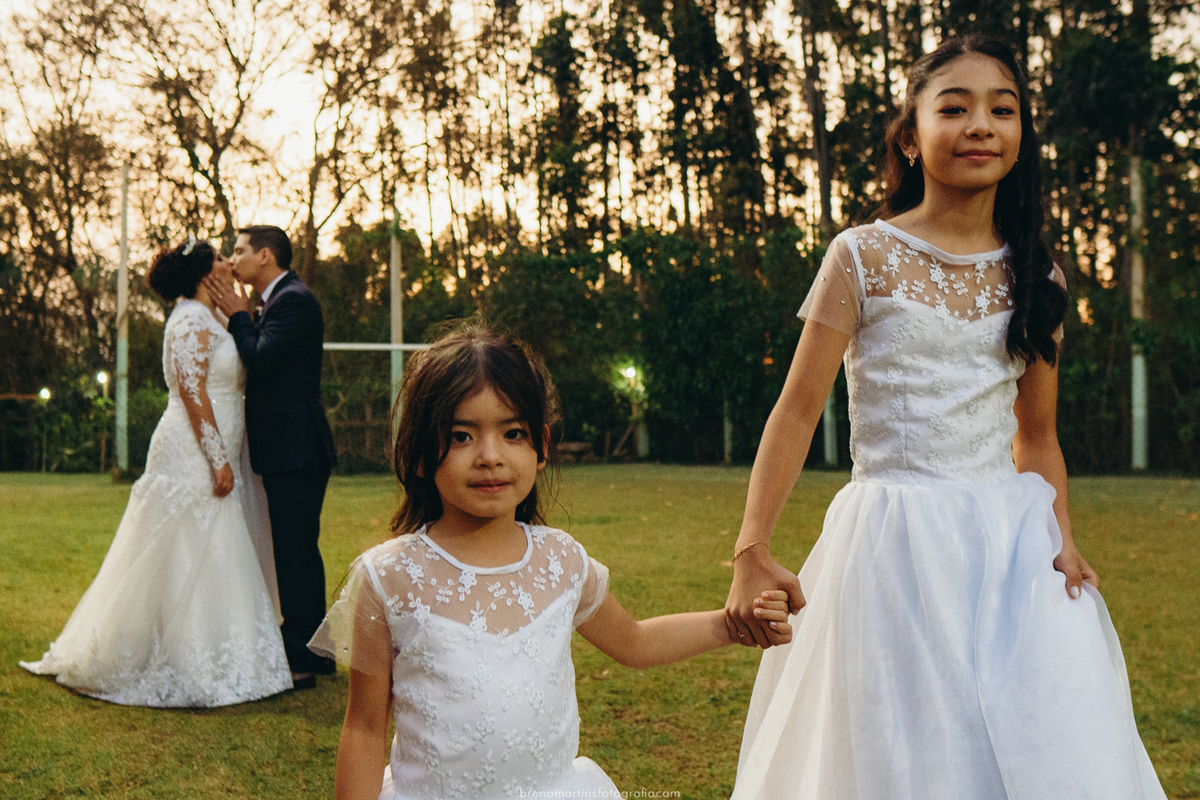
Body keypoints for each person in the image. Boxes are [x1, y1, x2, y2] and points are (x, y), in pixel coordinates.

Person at [723, 36, 1167, 799]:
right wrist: (752, 547)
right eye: (953, 108)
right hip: (889, 542)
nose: (981, 125)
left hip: (1010, 551)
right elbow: (796, 411)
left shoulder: (1039, 275)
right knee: (902, 742)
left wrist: (1063, 540)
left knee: (1032, 742)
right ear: (910, 135)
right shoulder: (861, 255)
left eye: (1003, 109)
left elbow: (1037, 436)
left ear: (1022, 138)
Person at [307, 325, 794, 800]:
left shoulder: (559, 560)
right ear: (417, 452)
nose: (490, 456)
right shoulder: (388, 577)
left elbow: (637, 642)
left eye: (512, 432)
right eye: (460, 436)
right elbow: (366, 728)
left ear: (540, 446)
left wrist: (732, 625)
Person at [21, 237, 292, 707]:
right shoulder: (188, 320)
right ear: (206, 274)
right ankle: (179, 660)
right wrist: (217, 457)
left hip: (221, 437)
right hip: (190, 448)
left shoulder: (216, 317)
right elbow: (192, 393)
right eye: (221, 259)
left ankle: (220, 654)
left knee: (214, 547)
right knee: (184, 545)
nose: (230, 264)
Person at [203, 225, 338, 689]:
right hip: (287, 447)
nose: (232, 258)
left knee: (294, 551)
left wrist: (240, 316)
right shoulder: (277, 300)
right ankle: (317, 650)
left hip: (295, 447)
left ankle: (299, 657)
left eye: (239, 251)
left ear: (265, 256)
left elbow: (259, 358)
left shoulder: (294, 300)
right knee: (301, 548)